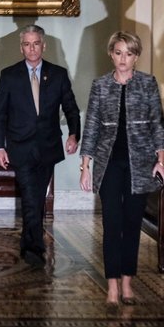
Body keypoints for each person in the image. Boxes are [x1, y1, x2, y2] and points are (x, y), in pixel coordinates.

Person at [79, 31, 164, 305]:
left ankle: (127, 283)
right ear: (111, 54)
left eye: (129, 53)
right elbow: (91, 126)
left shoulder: (148, 84)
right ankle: (112, 286)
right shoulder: (100, 85)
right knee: (112, 224)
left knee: (132, 224)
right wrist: (85, 166)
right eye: (118, 53)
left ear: (136, 56)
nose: (123, 59)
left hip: (140, 165)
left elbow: (157, 124)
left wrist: (161, 160)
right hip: (109, 166)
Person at [0, 24, 80, 267]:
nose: (32, 48)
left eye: (36, 43)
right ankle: (34, 248)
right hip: (19, 146)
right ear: (21, 48)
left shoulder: (58, 74)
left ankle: (27, 240)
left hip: (47, 146)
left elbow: (71, 108)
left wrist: (74, 134)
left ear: (44, 45)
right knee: (30, 194)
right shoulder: (9, 75)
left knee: (37, 197)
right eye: (27, 44)